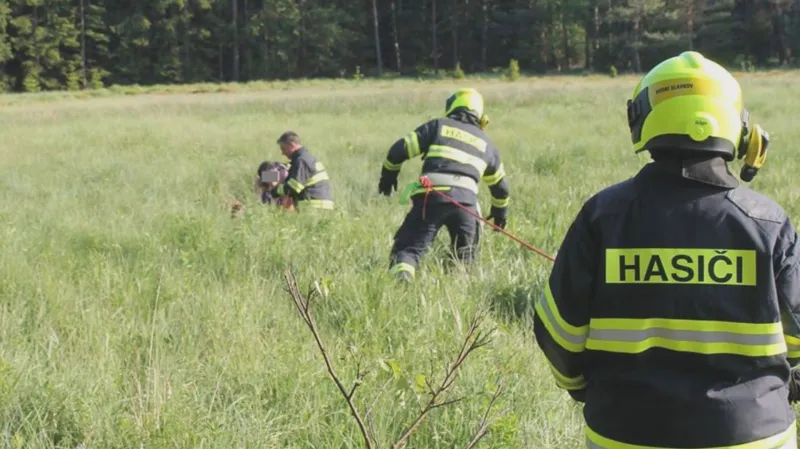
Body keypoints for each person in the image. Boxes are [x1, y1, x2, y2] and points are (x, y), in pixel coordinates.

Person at [532, 50, 800, 449]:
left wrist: (580, 387)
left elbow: (558, 332)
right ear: (740, 129)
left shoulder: (603, 216)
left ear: (643, 118)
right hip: (753, 436)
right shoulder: (769, 223)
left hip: (623, 433)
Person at [378, 87, 510, 281]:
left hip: (432, 199)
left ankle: (401, 283)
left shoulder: (438, 126)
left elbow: (399, 149)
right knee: (465, 260)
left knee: (408, 249)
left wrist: (388, 175)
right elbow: (501, 189)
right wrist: (500, 214)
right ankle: (461, 297)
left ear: (452, 106)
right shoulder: (488, 145)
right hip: (466, 206)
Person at [269, 131, 334, 210]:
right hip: (321, 205)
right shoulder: (306, 158)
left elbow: (293, 188)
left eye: (283, 148)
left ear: (291, 145)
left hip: (313, 206)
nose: (282, 153)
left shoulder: (301, 161)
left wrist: (273, 192)